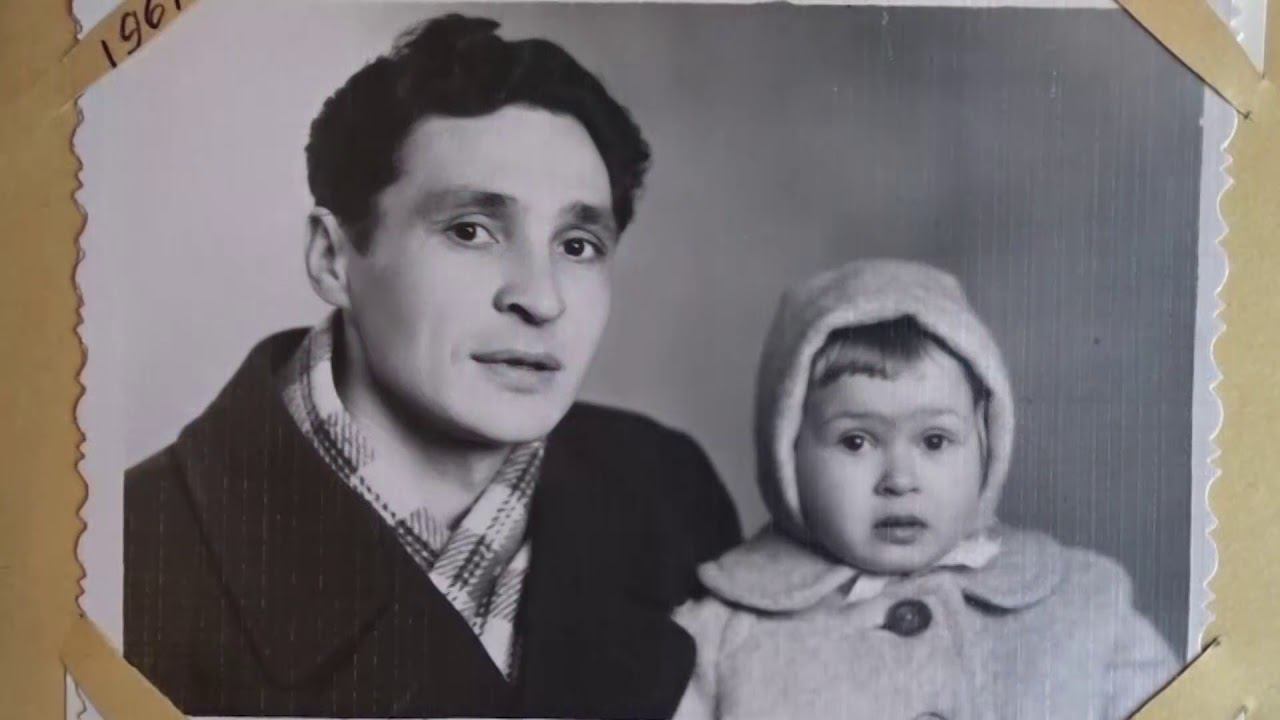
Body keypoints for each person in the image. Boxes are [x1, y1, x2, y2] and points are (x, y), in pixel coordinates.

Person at [123, 14, 740, 718]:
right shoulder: (135, 554)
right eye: (471, 231)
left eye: (577, 245)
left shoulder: (666, 494)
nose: (541, 299)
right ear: (332, 259)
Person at [672, 259, 1178, 720]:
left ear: (986, 440)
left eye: (934, 440)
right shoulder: (718, 641)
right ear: (787, 449)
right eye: (856, 441)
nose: (900, 479)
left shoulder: (1082, 608)